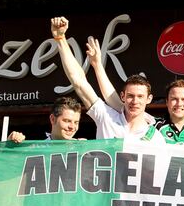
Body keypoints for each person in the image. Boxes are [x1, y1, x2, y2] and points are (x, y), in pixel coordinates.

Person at [51, 16, 165, 145]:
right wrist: (60, 39)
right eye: (130, 96)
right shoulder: (107, 117)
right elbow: (79, 82)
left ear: (149, 99)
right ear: (122, 96)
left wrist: (98, 66)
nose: (135, 101)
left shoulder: (155, 137)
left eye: (140, 96)